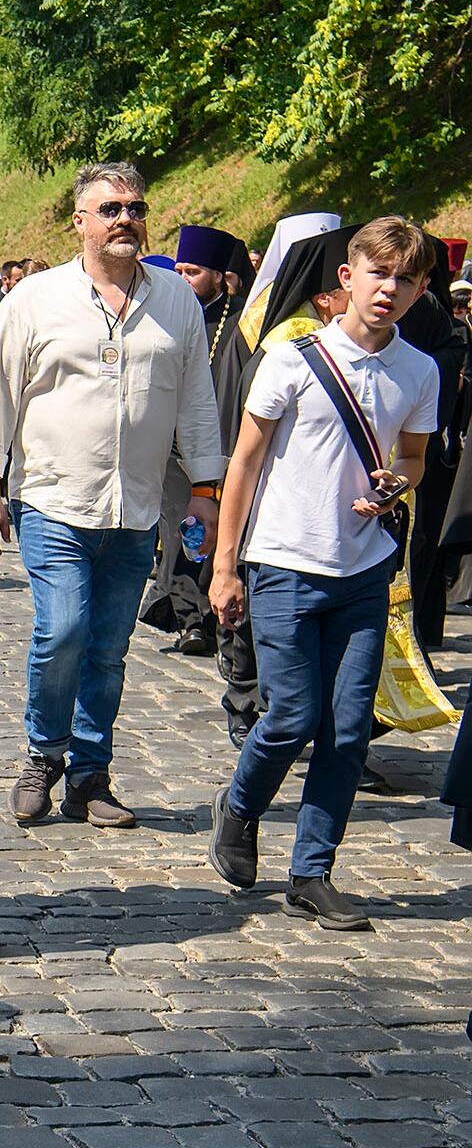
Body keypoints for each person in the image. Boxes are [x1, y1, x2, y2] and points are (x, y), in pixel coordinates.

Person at [0, 162, 224, 828]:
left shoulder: (175, 300)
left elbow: (197, 398)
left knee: (108, 647)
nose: (125, 218)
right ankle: (42, 754)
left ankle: (90, 774)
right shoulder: (35, 299)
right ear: (79, 221)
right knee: (64, 630)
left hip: (135, 506)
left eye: (136, 207)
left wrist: (204, 487)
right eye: (110, 208)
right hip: (52, 497)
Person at [208, 218, 440, 930]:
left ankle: (312, 871)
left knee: (347, 731)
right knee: (290, 717)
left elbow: (415, 460)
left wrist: (394, 485)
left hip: (364, 569)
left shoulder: (420, 371)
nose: (389, 290)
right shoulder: (291, 359)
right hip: (282, 562)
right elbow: (242, 464)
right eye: (378, 275)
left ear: (421, 289)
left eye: (405, 280)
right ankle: (240, 805)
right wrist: (224, 564)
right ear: (348, 278)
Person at [140, 223, 250, 661]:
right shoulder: (169, 313)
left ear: (220, 275)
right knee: (179, 529)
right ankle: (189, 619)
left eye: (193, 272)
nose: (182, 279)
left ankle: (215, 614)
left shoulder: (241, 321)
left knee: (220, 533)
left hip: (226, 444)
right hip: (172, 449)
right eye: (179, 270)